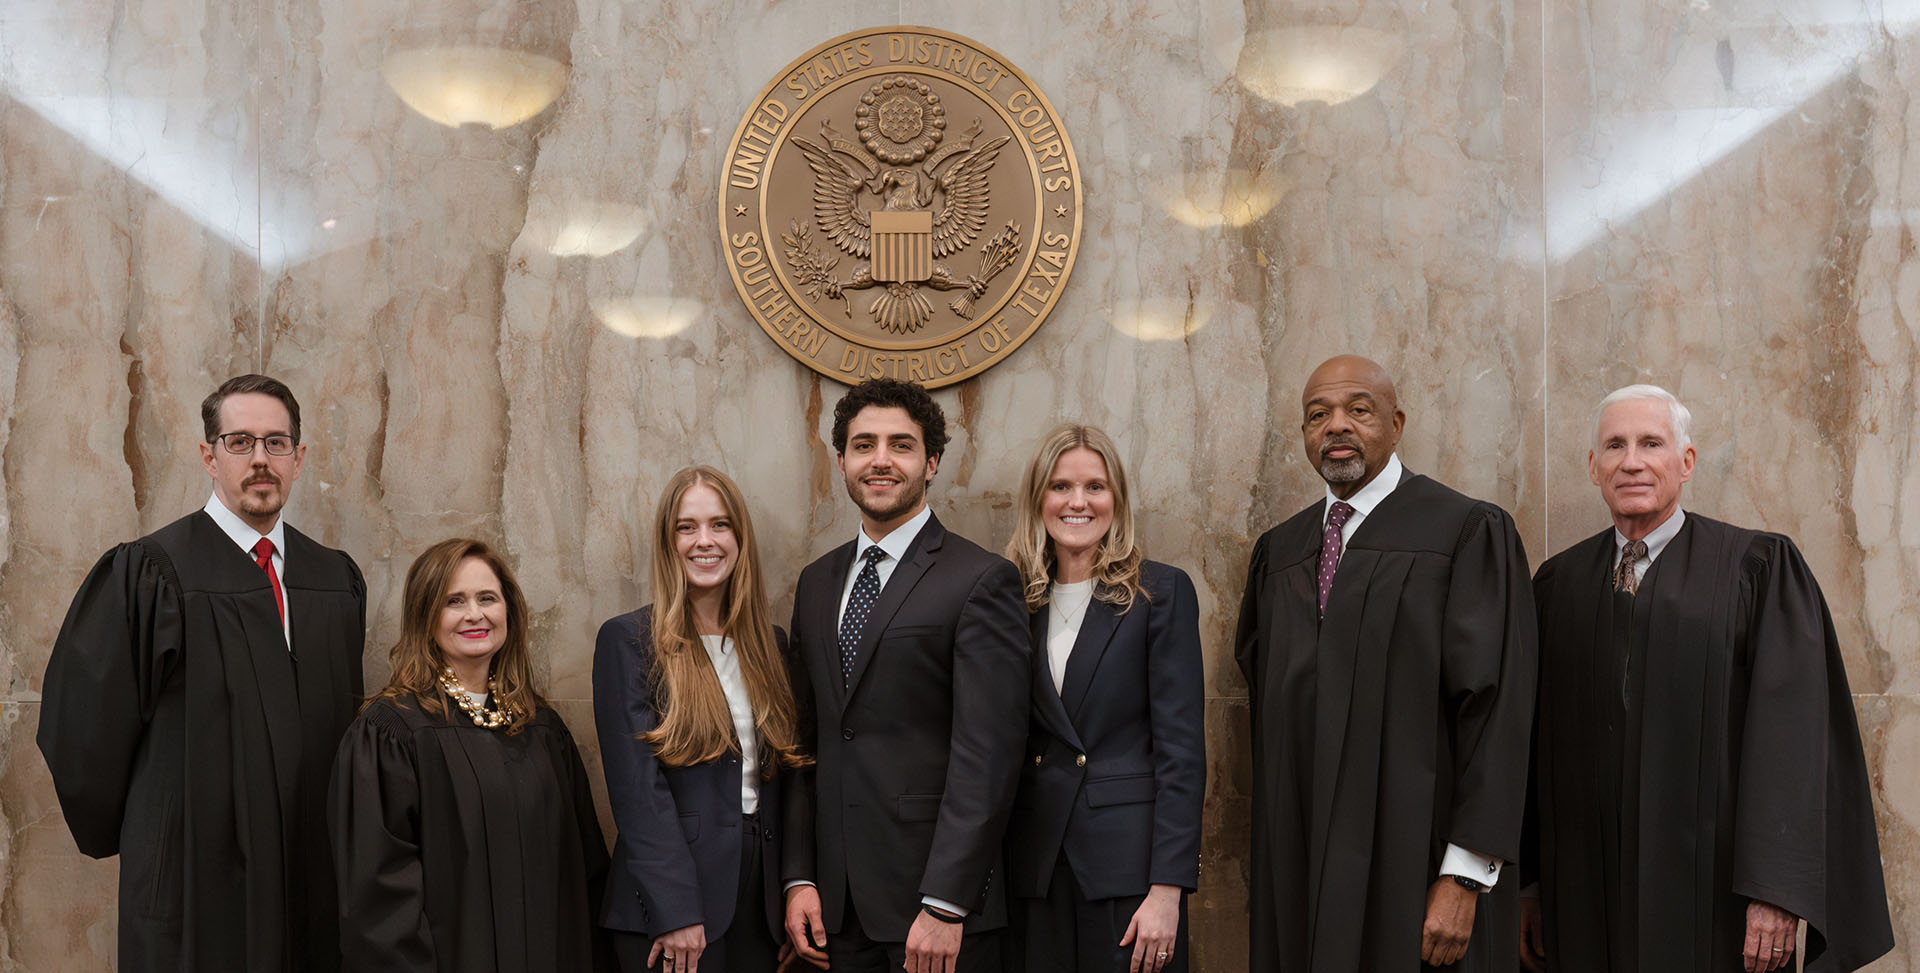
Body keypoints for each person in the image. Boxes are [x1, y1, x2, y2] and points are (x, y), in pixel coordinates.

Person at [1521, 385, 1892, 973]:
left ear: (1686, 462)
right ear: (1593, 467)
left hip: (1713, 898)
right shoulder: (1558, 584)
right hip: (1586, 897)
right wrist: (1532, 884)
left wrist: (1776, 890)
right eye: (1614, 445)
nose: (1632, 461)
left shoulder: (1757, 570)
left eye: (1651, 443)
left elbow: (1792, 741)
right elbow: (1536, 746)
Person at [37, 374, 366, 971]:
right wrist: (153, 838)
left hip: (313, 877)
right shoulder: (152, 574)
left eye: (276, 443)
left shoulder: (335, 580)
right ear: (208, 456)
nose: (260, 459)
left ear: (299, 458)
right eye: (239, 442)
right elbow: (83, 729)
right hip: (194, 881)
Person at [1234, 354, 1537, 972]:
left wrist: (1466, 874)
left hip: (1417, 867)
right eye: (1318, 414)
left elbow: (1498, 710)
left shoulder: (1465, 532)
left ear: (1396, 424)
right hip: (1302, 864)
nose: (1336, 426)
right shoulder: (1281, 551)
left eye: (1358, 410)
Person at [781, 377, 1030, 973]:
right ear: (841, 461)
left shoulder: (981, 579)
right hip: (835, 915)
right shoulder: (817, 582)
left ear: (932, 461)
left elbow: (989, 755)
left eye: (901, 444)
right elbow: (804, 742)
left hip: (937, 914)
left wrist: (946, 903)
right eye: (864, 445)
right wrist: (799, 876)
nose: (881, 460)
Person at [329, 538, 608, 971]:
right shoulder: (393, 732)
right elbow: (378, 902)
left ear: (508, 612)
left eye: (487, 598)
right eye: (453, 601)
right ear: (426, 616)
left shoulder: (541, 729)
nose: (474, 614)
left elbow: (584, 875)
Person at [1003, 425, 1205, 973]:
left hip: (1128, 872)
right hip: (1033, 867)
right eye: (1061, 486)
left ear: (1116, 499)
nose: (1077, 502)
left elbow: (1181, 754)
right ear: (1038, 499)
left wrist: (1168, 889)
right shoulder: (1009, 600)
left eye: (1095, 486)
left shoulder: (1159, 593)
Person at [594, 466, 810, 972]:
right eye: (686, 527)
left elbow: (788, 779)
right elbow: (636, 791)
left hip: (760, 905)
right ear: (667, 542)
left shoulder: (771, 645)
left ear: (740, 538)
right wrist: (675, 909)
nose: (704, 541)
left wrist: (786, 892)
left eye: (720, 525)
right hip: (674, 903)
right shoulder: (628, 641)